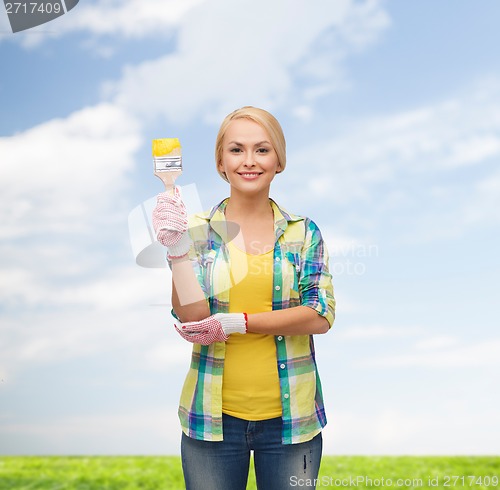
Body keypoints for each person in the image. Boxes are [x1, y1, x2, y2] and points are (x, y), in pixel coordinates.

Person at [152, 106, 335, 490]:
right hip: (211, 419)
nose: (249, 161)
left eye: (262, 150)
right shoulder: (197, 230)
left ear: (279, 160)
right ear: (221, 160)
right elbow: (192, 315)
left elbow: (319, 314)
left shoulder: (303, 232)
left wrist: (237, 323)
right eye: (236, 150)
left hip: (292, 424)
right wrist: (177, 250)